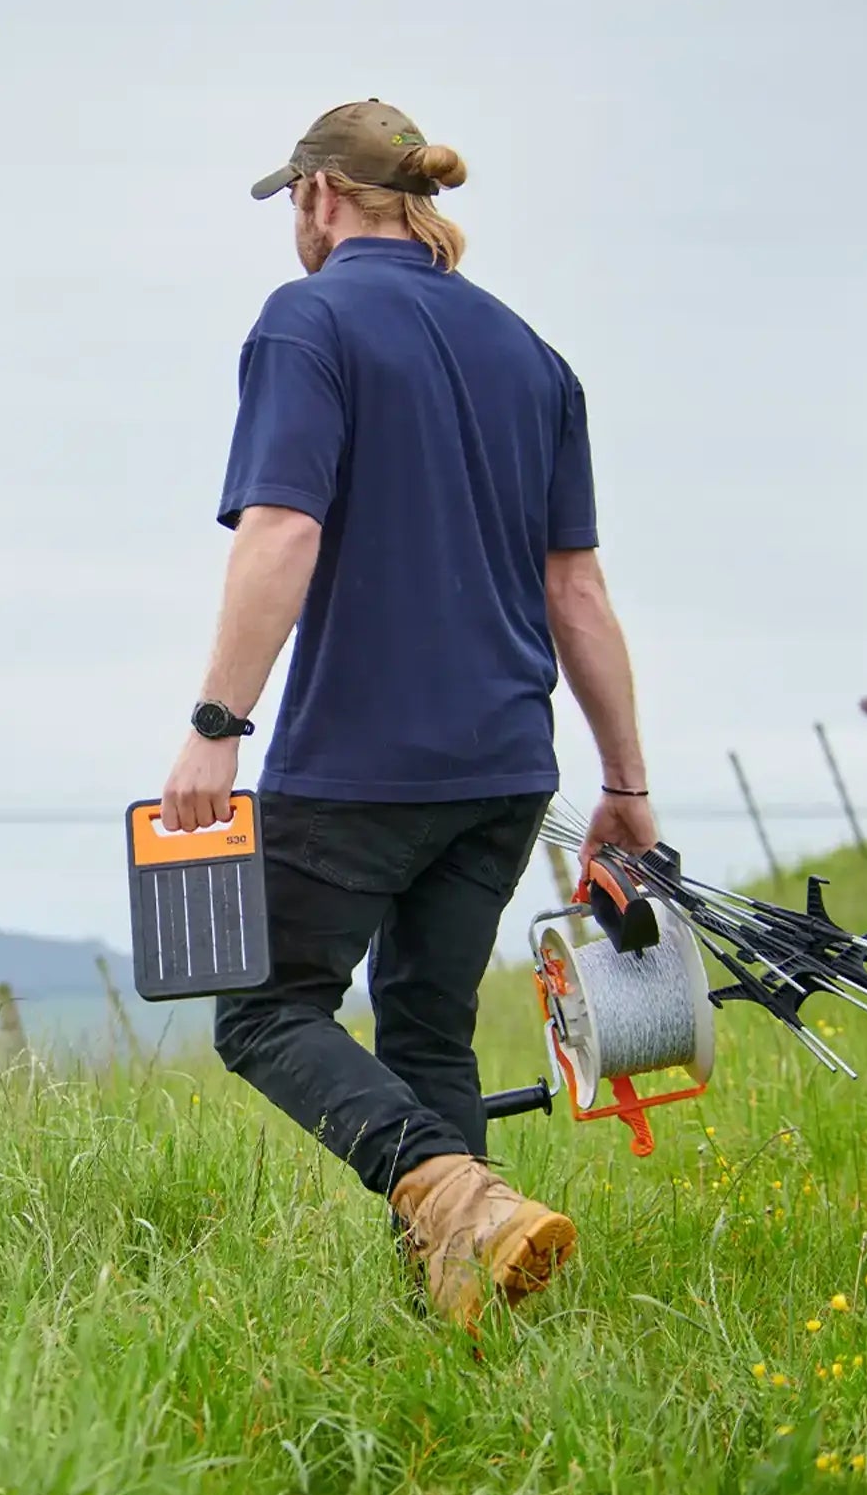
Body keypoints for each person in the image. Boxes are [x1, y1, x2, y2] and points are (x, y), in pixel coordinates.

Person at [160, 99, 658, 1333]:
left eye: (294, 206)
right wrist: (627, 782)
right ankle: (463, 1303)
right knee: (426, 1030)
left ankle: (452, 1193)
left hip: (363, 763)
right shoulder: (528, 351)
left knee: (267, 1010)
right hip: (502, 767)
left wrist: (218, 722)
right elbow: (576, 588)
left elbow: (282, 529)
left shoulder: (309, 319)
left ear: (323, 198)